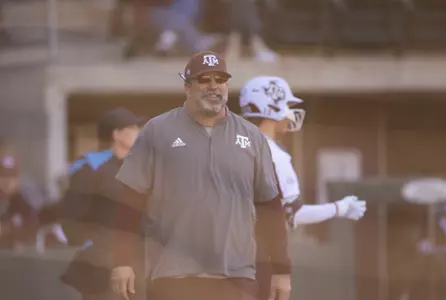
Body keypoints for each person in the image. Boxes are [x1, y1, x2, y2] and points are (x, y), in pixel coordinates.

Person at [110, 51, 290, 300]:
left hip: (236, 276)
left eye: (220, 80)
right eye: (204, 80)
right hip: (172, 276)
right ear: (187, 87)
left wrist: (281, 270)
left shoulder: (252, 136)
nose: (213, 87)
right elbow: (130, 201)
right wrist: (122, 261)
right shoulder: (157, 130)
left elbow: (271, 206)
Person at [238, 76, 367, 300]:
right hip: (256, 260)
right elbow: (292, 214)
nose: (289, 112)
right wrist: (340, 208)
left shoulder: (226, 146)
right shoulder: (274, 155)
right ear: (271, 106)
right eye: (286, 105)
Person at [59, 107, 146, 300]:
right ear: (116, 134)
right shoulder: (92, 168)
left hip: (137, 261)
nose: (138, 133)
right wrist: (96, 246)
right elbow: (71, 216)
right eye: (132, 128)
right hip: (102, 268)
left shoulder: (137, 167)